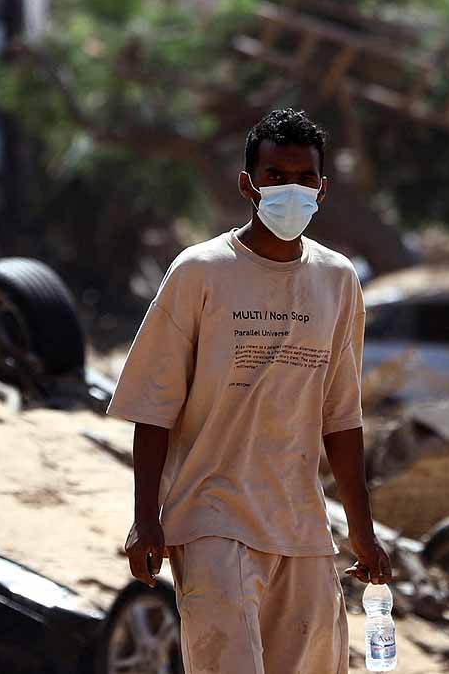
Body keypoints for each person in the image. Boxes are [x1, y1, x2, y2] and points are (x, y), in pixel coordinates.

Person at [106, 108, 392, 674]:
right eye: (274, 175)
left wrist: (362, 531)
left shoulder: (337, 280)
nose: (291, 188)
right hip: (211, 517)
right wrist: (146, 518)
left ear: (322, 188)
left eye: (304, 177)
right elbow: (154, 406)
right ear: (247, 184)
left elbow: (341, 418)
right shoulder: (201, 271)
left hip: (301, 525)